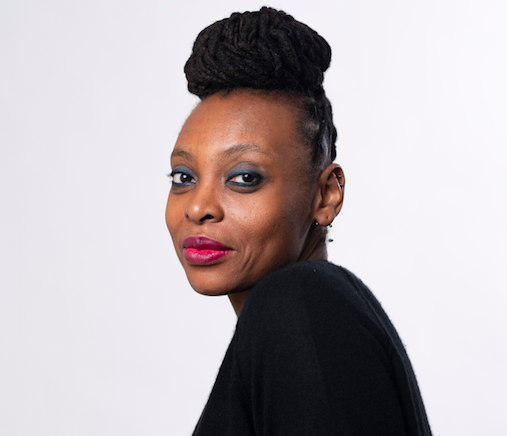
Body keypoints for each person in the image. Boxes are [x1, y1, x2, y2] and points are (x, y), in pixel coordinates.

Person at [166, 7, 432, 436]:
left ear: (326, 195)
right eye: (184, 177)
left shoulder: (299, 306)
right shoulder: (306, 316)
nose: (198, 207)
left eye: (244, 178)